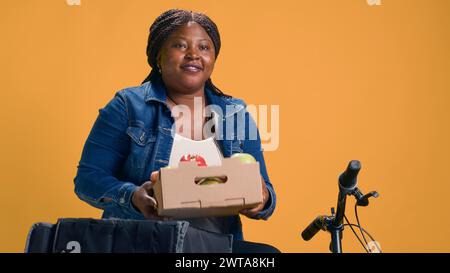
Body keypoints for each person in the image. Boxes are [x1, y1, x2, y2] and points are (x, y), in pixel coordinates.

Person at [74, 9, 279, 253]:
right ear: (158, 56)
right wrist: (132, 197)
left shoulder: (236, 114)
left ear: (213, 58)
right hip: (143, 242)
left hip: (214, 247)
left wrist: (261, 197)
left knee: (267, 256)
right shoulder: (128, 106)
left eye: (204, 47)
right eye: (180, 45)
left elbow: (266, 193)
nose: (193, 54)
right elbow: (88, 179)